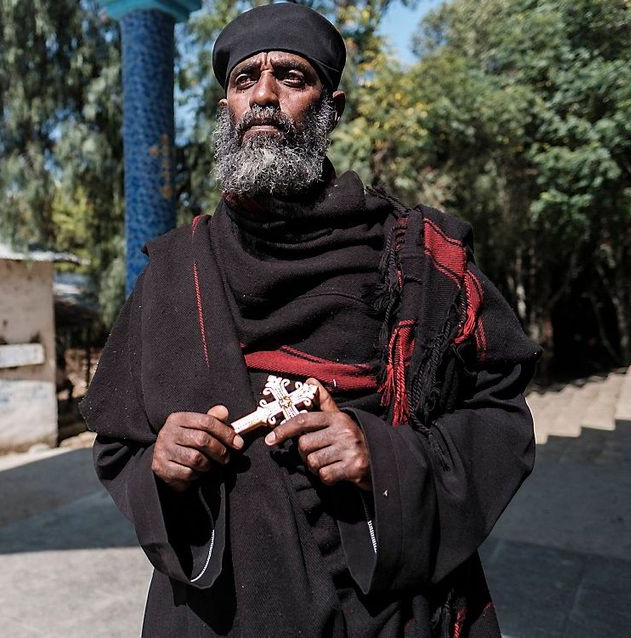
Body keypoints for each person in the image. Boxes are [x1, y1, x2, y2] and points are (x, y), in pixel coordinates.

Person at [82, 3, 540, 636]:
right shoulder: (175, 270)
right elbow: (118, 442)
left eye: (291, 78)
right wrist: (162, 462)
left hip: (379, 611)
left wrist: (380, 455)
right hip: (222, 614)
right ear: (227, 111)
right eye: (245, 81)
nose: (264, 95)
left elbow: (499, 416)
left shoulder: (414, 257)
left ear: (333, 107)